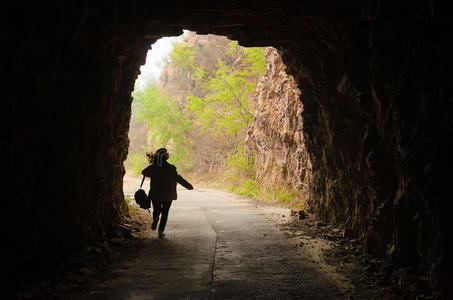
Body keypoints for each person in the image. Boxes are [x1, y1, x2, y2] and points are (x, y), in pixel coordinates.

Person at [141, 148, 193, 238]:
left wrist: (154, 165)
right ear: (166, 157)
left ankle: (156, 217)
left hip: (155, 193)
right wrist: (189, 186)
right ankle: (161, 231)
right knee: (165, 212)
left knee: (156, 209)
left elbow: (144, 172)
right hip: (168, 194)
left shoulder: (152, 168)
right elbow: (178, 178)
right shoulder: (171, 168)